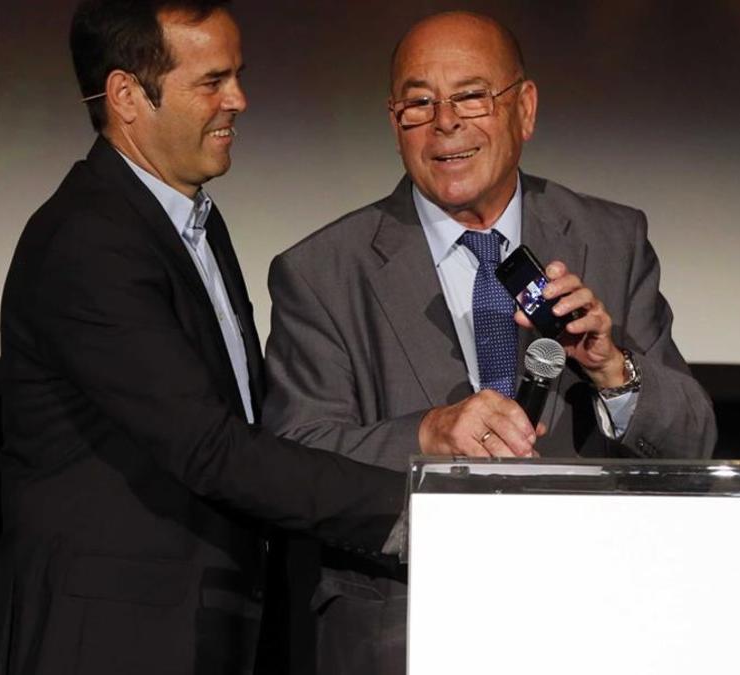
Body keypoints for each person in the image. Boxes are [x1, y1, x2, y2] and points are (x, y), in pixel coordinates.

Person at [262, 10, 717, 674]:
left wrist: (612, 368)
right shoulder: (323, 272)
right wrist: (429, 436)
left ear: (524, 109)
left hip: (593, 624)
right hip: (407, 631)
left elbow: (691, 444)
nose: (446, 122)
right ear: (395, 123)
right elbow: (293, 462)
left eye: (472, 96)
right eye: (420, 103)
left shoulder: (610, 239)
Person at [0, 2, 409, 673]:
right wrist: (406, 508)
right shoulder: (89, 243)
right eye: (212, 81)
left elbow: (248, 420)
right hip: (114, 640)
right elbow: (211, 447)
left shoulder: (188, 222)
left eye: (236, 76)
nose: (239, 100)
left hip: (200, 627)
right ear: (127, 96)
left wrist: (420, 438)